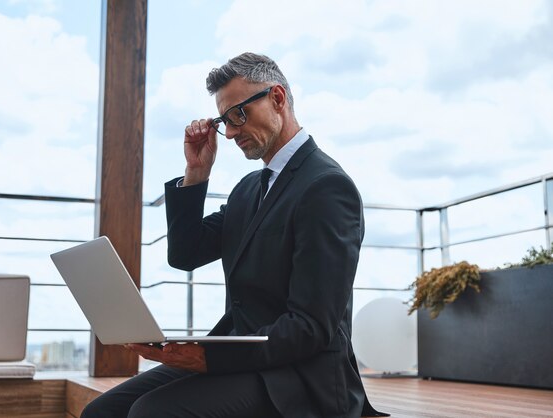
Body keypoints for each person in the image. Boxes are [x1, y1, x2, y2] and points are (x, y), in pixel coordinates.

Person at [82, 52, 386, 418]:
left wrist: (211, 357)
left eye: (239, 114)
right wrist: (196, 174)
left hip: (301, 378)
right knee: (103, 411)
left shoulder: (326, 187)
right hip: (245, 363)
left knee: (153, 412)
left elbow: (310, 328)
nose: (230, 132)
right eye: (223, 120)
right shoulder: (248, 189)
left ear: (277, 99)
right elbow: (185, 255)